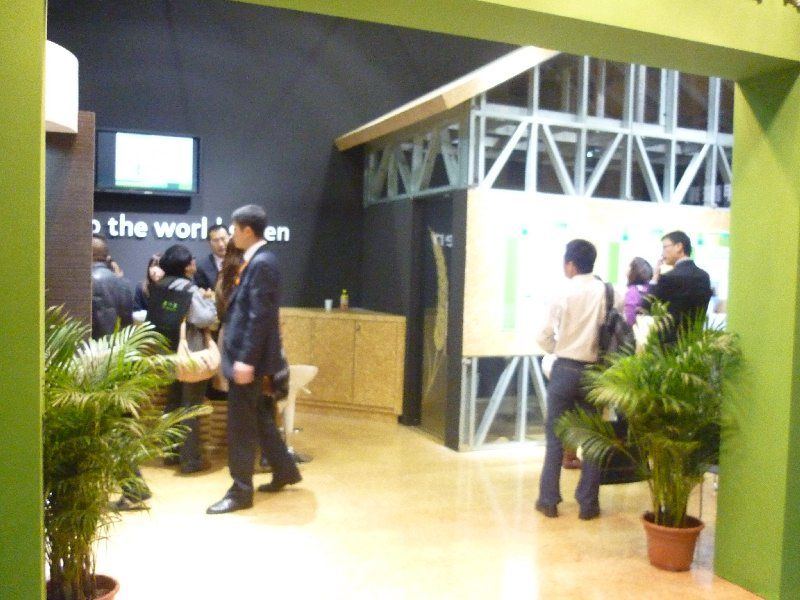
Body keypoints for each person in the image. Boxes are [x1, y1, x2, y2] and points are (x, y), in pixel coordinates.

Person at [207, 205, 301, 515]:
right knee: (260, 416)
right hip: (249, 358)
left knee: (241, 427)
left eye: (234, 230)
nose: (231, 236)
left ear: (247, 231)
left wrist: (245, 360)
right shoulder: (257, 261)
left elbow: (259, 317)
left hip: (249, 361)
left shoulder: (262, 263)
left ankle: (240, 491)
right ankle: (285, 470)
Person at [535, 239, 620, 521]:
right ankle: (588, 505)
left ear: (570, 264)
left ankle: (548, 501)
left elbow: (543, 335)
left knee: (555, 438)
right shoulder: (607, 292)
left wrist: (556, 348)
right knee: (592, 440)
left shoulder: (562, 292)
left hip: (565, 370)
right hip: (594, 372)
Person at [150, 244, 217, 474]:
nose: (194, 262)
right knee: (191, 406)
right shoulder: (189, 289)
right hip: (189, 355)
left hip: (165, 352)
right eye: (191, 260)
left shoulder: (159, 286)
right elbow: (204, 318)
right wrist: (210, 300)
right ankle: (190, 460)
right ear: (186, 266)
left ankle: (170, 453)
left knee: (173, 402)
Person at [214, 238, 274, 472]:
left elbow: (219, 311)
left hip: (229, 340)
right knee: (263, 400)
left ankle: (242, 462)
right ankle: (267, 457)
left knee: (240, 404)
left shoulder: (224, 278)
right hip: (253, 342)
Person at [646, 231, 712, 341]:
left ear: (679, 247)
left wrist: (655, 277)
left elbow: (646, 306)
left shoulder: (668, 278)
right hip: (695, 343)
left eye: (665, 247)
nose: (662, 253)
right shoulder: (704, 277)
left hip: (669, 344)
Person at [91, 234, 133, 339]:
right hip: (119, 345)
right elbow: (127, 324)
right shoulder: (124, 284)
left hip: (90, 346)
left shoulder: (83, 284)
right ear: (107, 256)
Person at [194, 224, 230, 290]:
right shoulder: (201, 266)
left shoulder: (242, 262)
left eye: (223, 239)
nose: (220, 244)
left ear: (230, 238)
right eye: (215, 240)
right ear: (209, 243)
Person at [623, 257, 653, 326]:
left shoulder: (632, 291)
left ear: (634, 271)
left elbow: (629, 316)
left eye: (629, 266)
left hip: (634, 329)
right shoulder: (649, 288)